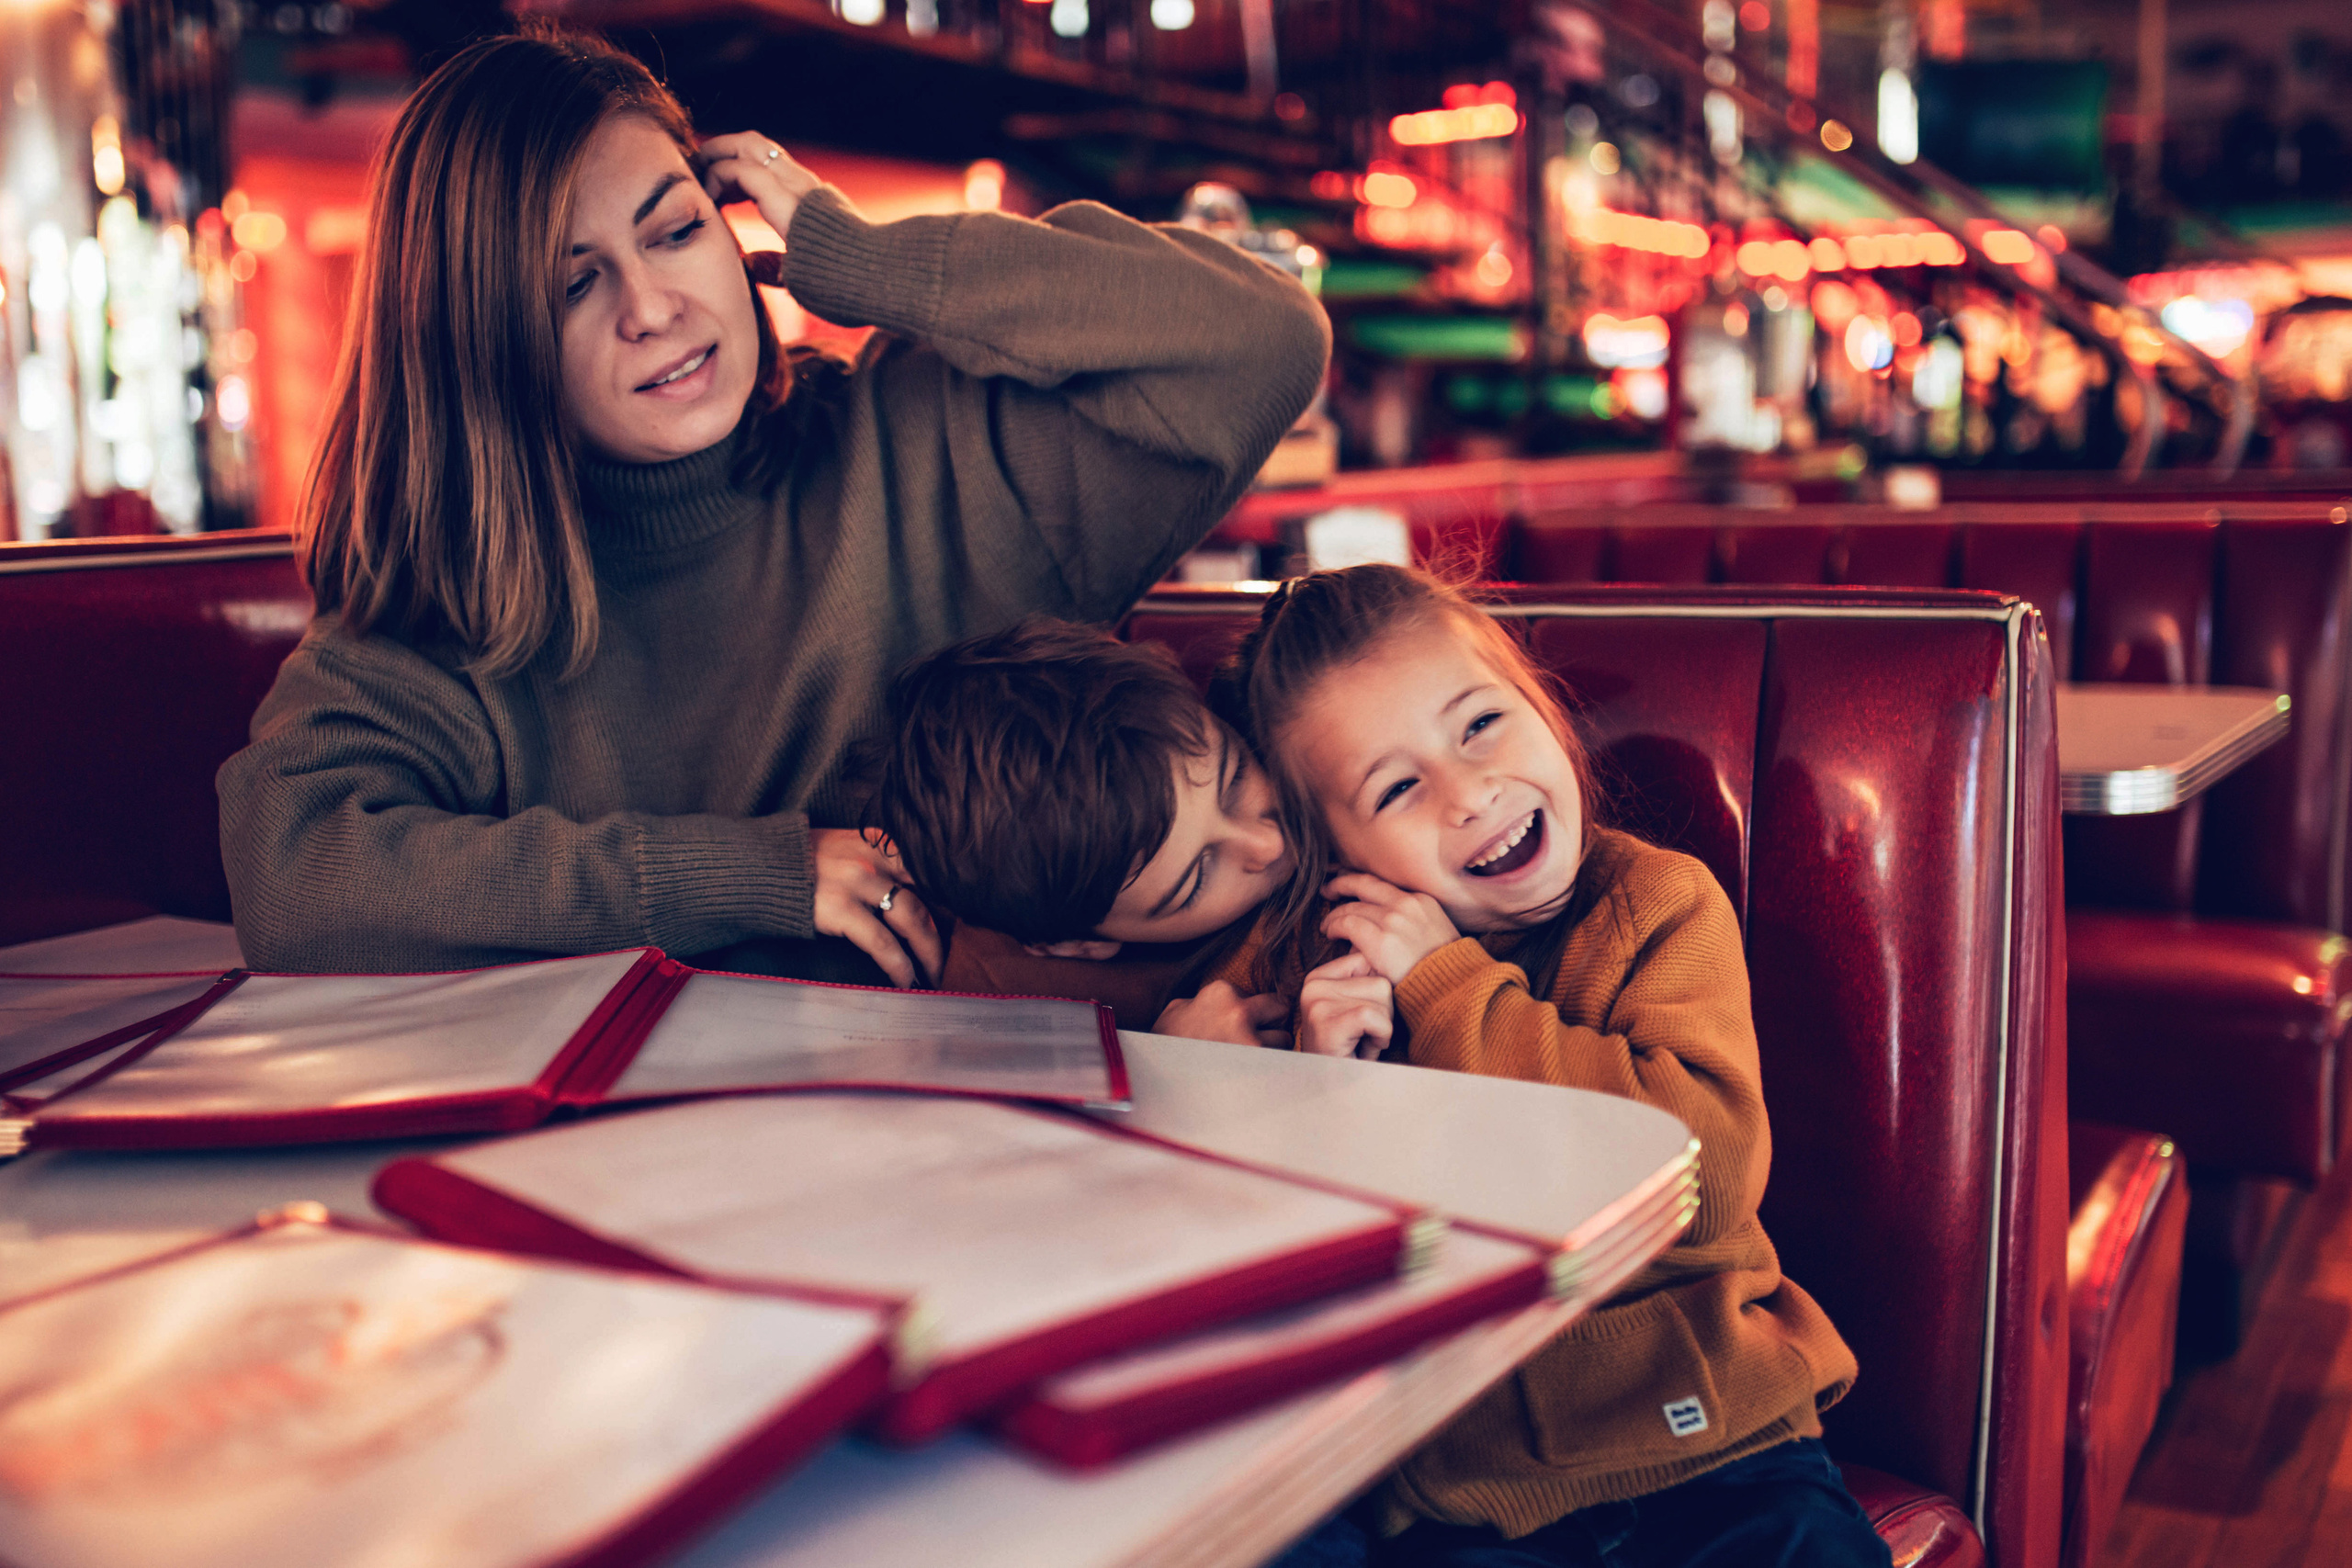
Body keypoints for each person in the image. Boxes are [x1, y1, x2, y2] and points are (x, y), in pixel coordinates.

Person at [215, 25, 1329, 985]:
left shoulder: (932, 440)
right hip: (637, 1165)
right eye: (571, 282)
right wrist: (747, 873)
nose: (653, 307)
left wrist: (861, 259)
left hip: (1008, 1136)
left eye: (676, 229)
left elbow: (1261, 340)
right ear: (479, 339)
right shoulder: (463, 589)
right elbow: (295, 878)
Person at [1217, 563, 1885, 1568]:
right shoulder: (1318, 980)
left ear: (1539, 700)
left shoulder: (1654, 905)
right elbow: (1294, 1285)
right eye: (1397, 787)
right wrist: (1314, 1091)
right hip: (1466, 1489)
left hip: (1719, 1447)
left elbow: (1698, 1182)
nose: (1470, 790)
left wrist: (1449, 992)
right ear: (1332, 857)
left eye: (1480, 724)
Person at [866, 617, 1292, 1042]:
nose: (1270, 842)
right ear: (1076, 946)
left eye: (1234, 778)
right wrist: (1175, 1071)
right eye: (1196, 881)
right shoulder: (1001, 1034)